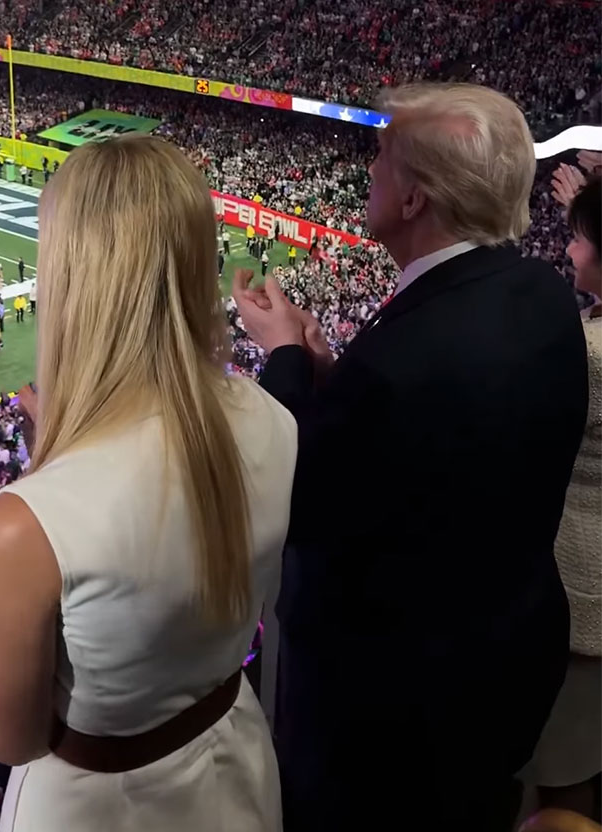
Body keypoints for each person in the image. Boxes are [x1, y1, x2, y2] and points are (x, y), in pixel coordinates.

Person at [0, 134, 297, 832]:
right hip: (233, 763)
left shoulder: (31, 519)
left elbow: (9, 734)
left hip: (101, 807)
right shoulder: (271, 415)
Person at [232, 83, 588, 832]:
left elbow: (298, 497)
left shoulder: (406, 361)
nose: (370, 170)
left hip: (390, 722)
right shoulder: (541, 293)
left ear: (416, 198)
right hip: (501, 673)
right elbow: (438, 446)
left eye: (383, 157)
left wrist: (287, 356)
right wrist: (336, 379)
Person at [528, 177, 602, 820]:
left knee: (565, 765)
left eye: (578, 240)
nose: (570, 253)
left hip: (582, 598)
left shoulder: (588, 353)